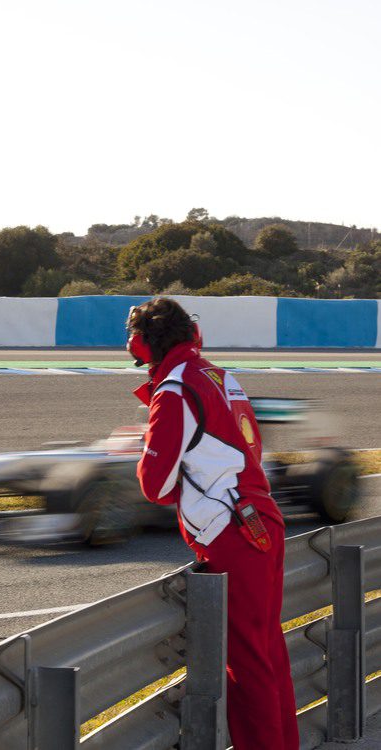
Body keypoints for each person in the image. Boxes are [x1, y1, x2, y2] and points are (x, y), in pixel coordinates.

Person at [126, 297, 299, 750]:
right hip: (261, 518)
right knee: (267, 651)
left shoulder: (174, 390)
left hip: (230, 534)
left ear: (143, 347)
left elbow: (155, 485)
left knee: (245, 662)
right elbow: (249, 449)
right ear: (193, 335)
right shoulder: (221, 376)